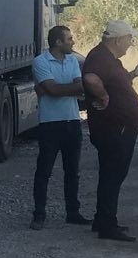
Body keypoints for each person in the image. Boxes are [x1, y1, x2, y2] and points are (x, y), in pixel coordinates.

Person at [29, 25, 108, 230]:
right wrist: (67, 89)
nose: (73, 42)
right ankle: (39, 215)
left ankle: (73, 213)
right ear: (58, 42)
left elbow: (74, 87)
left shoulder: (72, 60)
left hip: (72, 122)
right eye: (69, 39)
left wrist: (56, 89)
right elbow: (55, 90)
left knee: (72, 171)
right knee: (44, 171)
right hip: (50, 124)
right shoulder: (40, 61)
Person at [81, 19, 138, 243]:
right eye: (129, 39)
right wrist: (102, 96)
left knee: (111, 174)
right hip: (114, 129)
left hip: (117, 128)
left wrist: (134, 74)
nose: (131, 43)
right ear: (118, 40)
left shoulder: (108, 59)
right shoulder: (100, 58)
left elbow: (112, 81)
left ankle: (102, 220)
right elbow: (90, 79)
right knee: (113, 175)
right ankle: (108, 226)